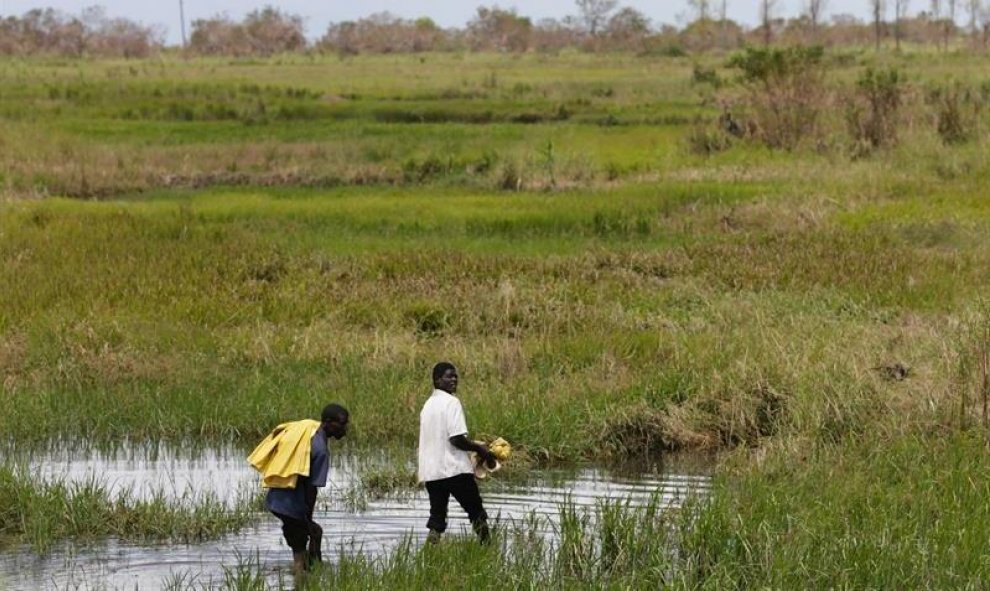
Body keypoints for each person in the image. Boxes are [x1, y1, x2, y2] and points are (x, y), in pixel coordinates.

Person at [247, 403, 349, 582]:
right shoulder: (320, 450)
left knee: (312, 534)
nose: (344, 428)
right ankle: (302, 577)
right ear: (327, 423)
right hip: (289, 504)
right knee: (305, 538)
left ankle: (311, 570)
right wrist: (307, 518)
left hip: (276, 498)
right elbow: (312, 489)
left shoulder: (310, 429)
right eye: (341, 424)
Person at [418, 361, 495, 544]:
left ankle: (430, 553)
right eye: (449, 376)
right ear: (437, 380)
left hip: (433, 472)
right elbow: (456, 439)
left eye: (455, 376)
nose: (454, 380)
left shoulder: (428, 405)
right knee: (476, 512)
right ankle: (488, 548)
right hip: (454, 470)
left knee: (437, 519)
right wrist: (480, 449)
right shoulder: (452, 402)